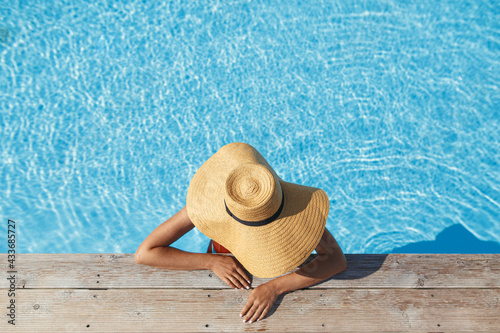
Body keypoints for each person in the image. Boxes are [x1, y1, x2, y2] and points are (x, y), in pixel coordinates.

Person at [135, 142, 347, 324]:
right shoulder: (208, 207)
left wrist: (274, 287)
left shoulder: (292, 211)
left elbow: (336, 260)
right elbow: (145, 253)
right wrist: (211, 262)